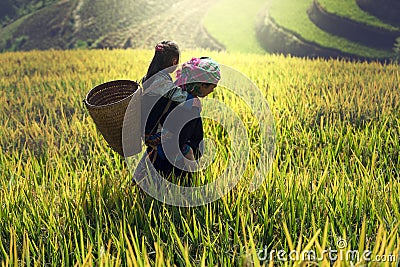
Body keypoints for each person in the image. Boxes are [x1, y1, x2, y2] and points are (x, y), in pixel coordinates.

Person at [135, 56, 221, 182]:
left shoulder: (176, 91)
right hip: (171, 157)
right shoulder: (190, 106)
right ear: (201, 85)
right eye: (212, 86)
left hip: (160, 148)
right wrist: (189, 154)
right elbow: (179, 140)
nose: (213, 90)